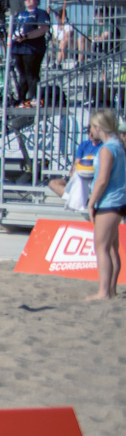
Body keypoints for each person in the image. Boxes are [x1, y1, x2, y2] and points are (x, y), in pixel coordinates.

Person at [86, 109, 126, 300]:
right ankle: (111, 289)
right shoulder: (119, 146)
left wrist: (91, 203)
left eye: (92, 126)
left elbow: (102, 180)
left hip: (109, 201)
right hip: (118, 201)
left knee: (101, 248)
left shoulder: (107, 149)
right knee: (111, 248)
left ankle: (104, 292)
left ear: (98, 127)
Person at [10, 0, 51, 107]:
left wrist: (26, 36)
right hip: (18, 48)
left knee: (31, 74)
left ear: (37, 0)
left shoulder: (40, 13)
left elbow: (43, 29)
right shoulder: (19, 14)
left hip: (33, 48)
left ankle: (34, 98)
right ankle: (21, 99)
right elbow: (12, 30)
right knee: (22, 75)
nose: (28, 0)